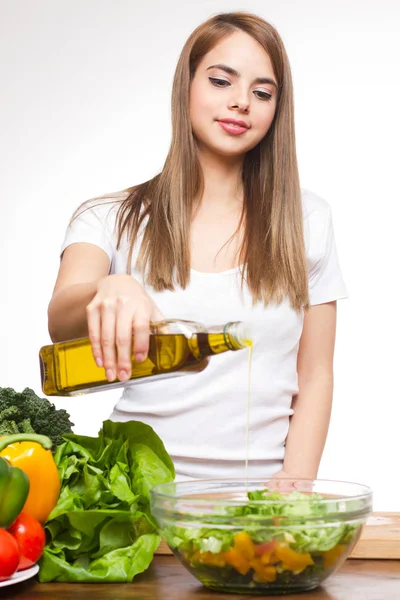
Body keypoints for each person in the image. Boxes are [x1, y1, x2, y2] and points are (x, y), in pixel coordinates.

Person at [47, 12, 347, 483]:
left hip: (253, 503)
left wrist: (292, 496)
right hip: (132, 500)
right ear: (185, 86)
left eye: (262, 92)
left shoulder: (308, 220)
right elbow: (60, 321)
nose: (241, 103)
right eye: (221, 81)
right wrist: (110, 287)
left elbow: (315, 376)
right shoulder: (109, 216)